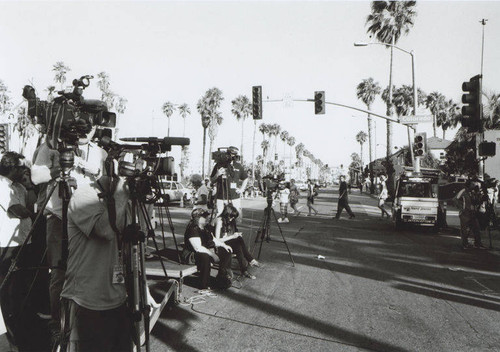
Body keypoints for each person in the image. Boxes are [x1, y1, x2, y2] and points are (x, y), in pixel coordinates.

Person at [31, 128, 107, 341]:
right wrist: (62, 166)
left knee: (89, 270)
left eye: (90, 124)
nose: (86, 128)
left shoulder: (100, 152)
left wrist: (87, 167)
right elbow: (36, 177)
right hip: (58, 218)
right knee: (58, 273)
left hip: (88, 218)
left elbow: (105, 182)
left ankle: (85, 321)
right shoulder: (51, 146)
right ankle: (58, 323)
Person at [59, 175, 132, 351]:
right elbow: (105, 230)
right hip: (86, 299)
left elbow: (134, 239)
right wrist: (122, 192)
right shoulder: (84, 196)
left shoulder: (120, 197)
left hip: (117, 296)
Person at [0, 152, 34, 346]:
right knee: (7, 284)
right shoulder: (2, 186)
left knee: (20, 283)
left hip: (23, 240)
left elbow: (30, 203)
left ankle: (18, 318)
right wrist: (30, 213)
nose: (24, 171)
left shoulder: (19, 187)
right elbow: (17, 210)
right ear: (12, 168)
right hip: (7, 242)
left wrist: (29, 185)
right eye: (21, 168)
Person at [184, 209, 233, 290]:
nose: (207, 218)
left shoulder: (205, 227)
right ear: (197, 218)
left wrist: (224, 245)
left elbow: (213, 239)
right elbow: (197, 248)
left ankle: (221, 276)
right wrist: (213, 255)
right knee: (205, 257)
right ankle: (204, 284)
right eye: (204, 217)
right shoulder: (193, 228)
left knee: (226, 252)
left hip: (206, 250)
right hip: (192, 254)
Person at [210, 147, 248, 238]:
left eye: (235, 154)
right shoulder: (219, 165)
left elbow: (245, 178)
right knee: (220, 217)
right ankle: (219, 237)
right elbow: (212, 180)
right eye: (231, 154)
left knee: (234, 217)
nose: (233, 156)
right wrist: (217, 174)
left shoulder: (238, 166)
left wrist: (242, 189)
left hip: (235, 197)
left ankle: (232, 235)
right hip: (220, 196)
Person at [218, 203, 259, 280]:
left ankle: (246, 268)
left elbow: (233, 233)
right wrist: (232, 236)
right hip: (219, 244)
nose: (232, 219)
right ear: (226, 215)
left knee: (239, 244)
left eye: (233, 218)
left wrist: (236, 234)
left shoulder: (231, 221)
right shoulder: (219, 221)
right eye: (231, 217)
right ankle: (248, 264)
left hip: (227, 241)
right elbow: (216, 240)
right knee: (238, 242)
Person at [454, 180, 487, 250]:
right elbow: (455, 199)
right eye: (472, 184)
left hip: (473, 213)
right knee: (464, 230)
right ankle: (465, 244)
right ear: (468, 185)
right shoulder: (463, 191)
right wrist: (462, 208)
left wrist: (480, 197)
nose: (474, 186)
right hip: (465, 213)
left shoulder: (474, 192)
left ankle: (478, 243)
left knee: (476, 228)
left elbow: (476, 201)